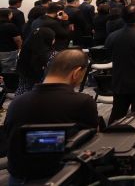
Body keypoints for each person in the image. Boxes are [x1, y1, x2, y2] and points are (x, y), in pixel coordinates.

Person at [5, 49, 97, 184]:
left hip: (17, 178)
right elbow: (91, 146)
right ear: (76, 73)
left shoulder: (16, 103)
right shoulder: (83, 102)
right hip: (61, 177)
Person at [15, 27, 57, 96]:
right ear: (48, 40)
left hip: (22, 94)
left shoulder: (23, 52)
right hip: (42, 94)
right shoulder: (53, 56)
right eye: (53, 38)